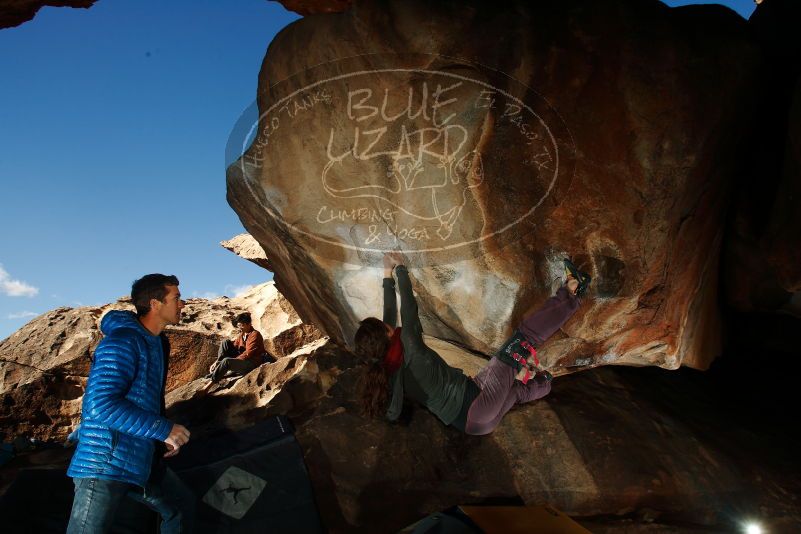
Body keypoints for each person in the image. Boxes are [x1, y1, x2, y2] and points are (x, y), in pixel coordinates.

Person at [355, 253, 591, 435]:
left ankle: (546, 382)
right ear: (387, 336)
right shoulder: (409, 346)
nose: (389, 325)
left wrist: (387, 274)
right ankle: (573, 290)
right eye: (385, 327)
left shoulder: (386, 366)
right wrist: (401, 269)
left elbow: (388, 318)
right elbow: (407, 309)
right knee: (523, 339)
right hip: (478, 401)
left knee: (516, 392)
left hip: (474, 427)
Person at [66, 274, 195, 533]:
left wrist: (160, 439)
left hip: (140, 457)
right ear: (155, 303)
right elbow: (101, 405)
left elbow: (144, 400)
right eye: (177, 298)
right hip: (104, 464)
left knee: (182, 507)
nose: (183, 304)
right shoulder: (124, 341)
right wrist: (163, 429)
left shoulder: (156, 342)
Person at [209, 312, 272, 382]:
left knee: (226, 361)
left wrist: (231, 361)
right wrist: (217, 362)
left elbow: (248, 354)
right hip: (241, 358)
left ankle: (211, 382)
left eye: (240, 326)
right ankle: (220, 366)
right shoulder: (242, 334)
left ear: (247, 324)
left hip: (251, 362)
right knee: (225, 342)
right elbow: (235, 346)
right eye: (238, 326)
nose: (238, 328)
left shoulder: (255, 335)